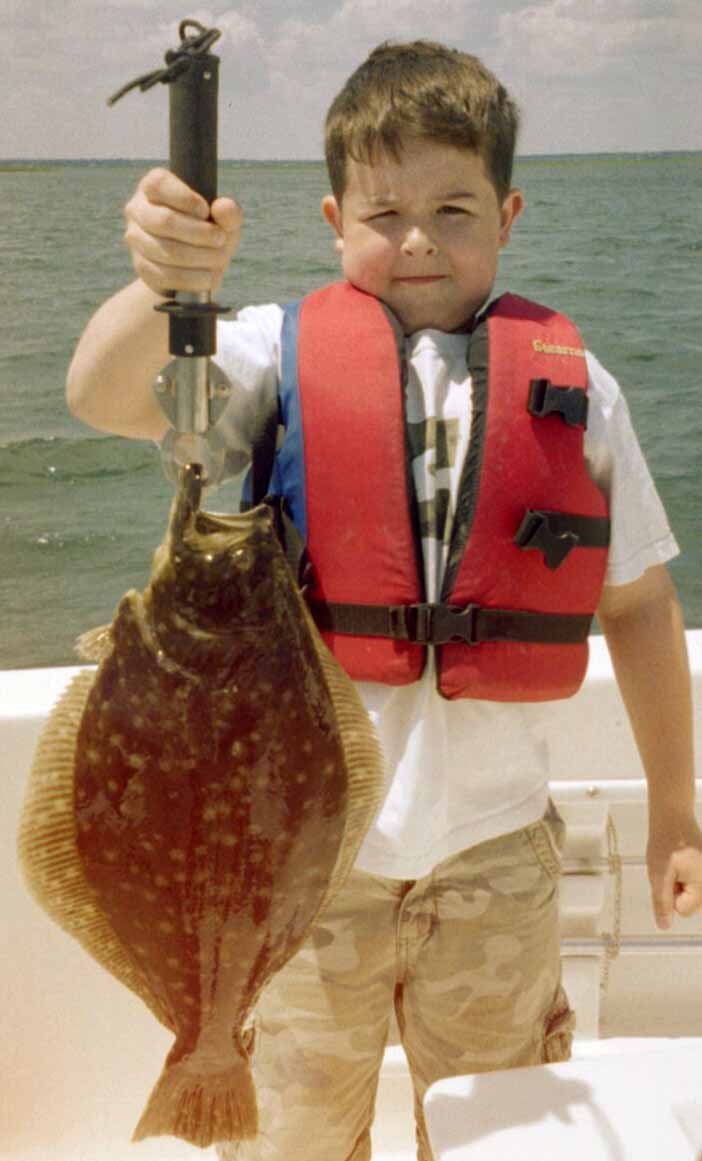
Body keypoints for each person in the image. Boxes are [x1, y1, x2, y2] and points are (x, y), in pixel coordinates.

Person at [67, 40, 702, 1161]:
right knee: (301, 1134)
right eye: (385, 211)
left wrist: (674, 806)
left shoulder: (576, 386)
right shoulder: (269, 355)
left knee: (497, 1131)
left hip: (498, 860)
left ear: (508, 215)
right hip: (301, 873)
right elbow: (104, 394)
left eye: (454, 209)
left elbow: (641, 608)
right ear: (333, 219)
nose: (418, 240)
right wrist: (167, 282)